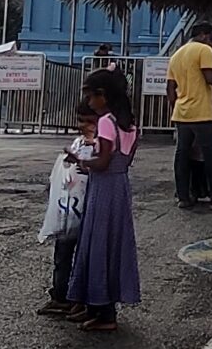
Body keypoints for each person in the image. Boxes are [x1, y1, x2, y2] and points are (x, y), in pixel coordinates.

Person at [67, 67, 141, 330]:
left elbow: (104, 161)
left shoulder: (107, 122)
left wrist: (82, 161)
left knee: (97, 244)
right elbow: (125, 160)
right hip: (119, 186)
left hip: (104, 187)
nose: (89, 103)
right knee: (113, 245)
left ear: (103, 96)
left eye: (91, 97)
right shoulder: (129, 123)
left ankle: (102, 312)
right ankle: (100, 308)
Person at [166, 17, 212, 210]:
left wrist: (176, 108)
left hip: (181, 113)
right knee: (211, 156)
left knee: (182, 155)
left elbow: (170, 88)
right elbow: (210, 78)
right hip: (202, 113)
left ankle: (183, 197)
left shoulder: (176, 54)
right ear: (203, 35)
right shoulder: (204, 50)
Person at [38, 105, 99, 317]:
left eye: (89, 121)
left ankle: (79, 299)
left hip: (88, 211)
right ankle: (60, 296)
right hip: (69, 210)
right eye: (81, 120)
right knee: (62, 255)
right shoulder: (78, 142)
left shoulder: (102, 145)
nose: (83, 126)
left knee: (83, 257)